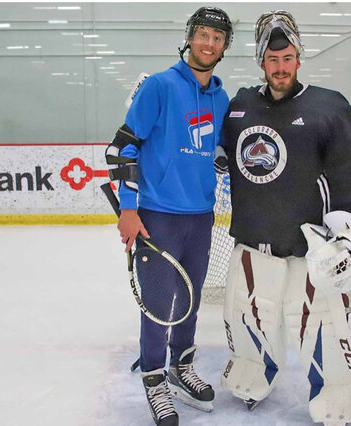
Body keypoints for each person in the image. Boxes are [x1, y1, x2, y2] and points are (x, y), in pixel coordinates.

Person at [216, 10, 351, 425]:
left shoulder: (329, 106)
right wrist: (165, 122)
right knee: (247, 312)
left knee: (322, 324)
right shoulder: (239, 107)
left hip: (312, 248)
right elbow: (206, 152)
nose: (281, 67)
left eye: (287, 58)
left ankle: (339, 391)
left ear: (299, 58)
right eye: (273, 60)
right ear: (261, 61)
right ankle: (254, 373)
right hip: (254, 240)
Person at [105, 7, 232, 426]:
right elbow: (123, 148)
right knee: (158, 305)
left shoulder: (221, 98)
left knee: (191, 300)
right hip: (156, 216)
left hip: (200, 217)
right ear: (190, 37)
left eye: (217, 37)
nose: (209, 43)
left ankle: (182, 365)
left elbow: (218, 155)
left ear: (224, 47)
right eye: (203, 34)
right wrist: (127, 208)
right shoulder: (159, 86)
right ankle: (154, 376)